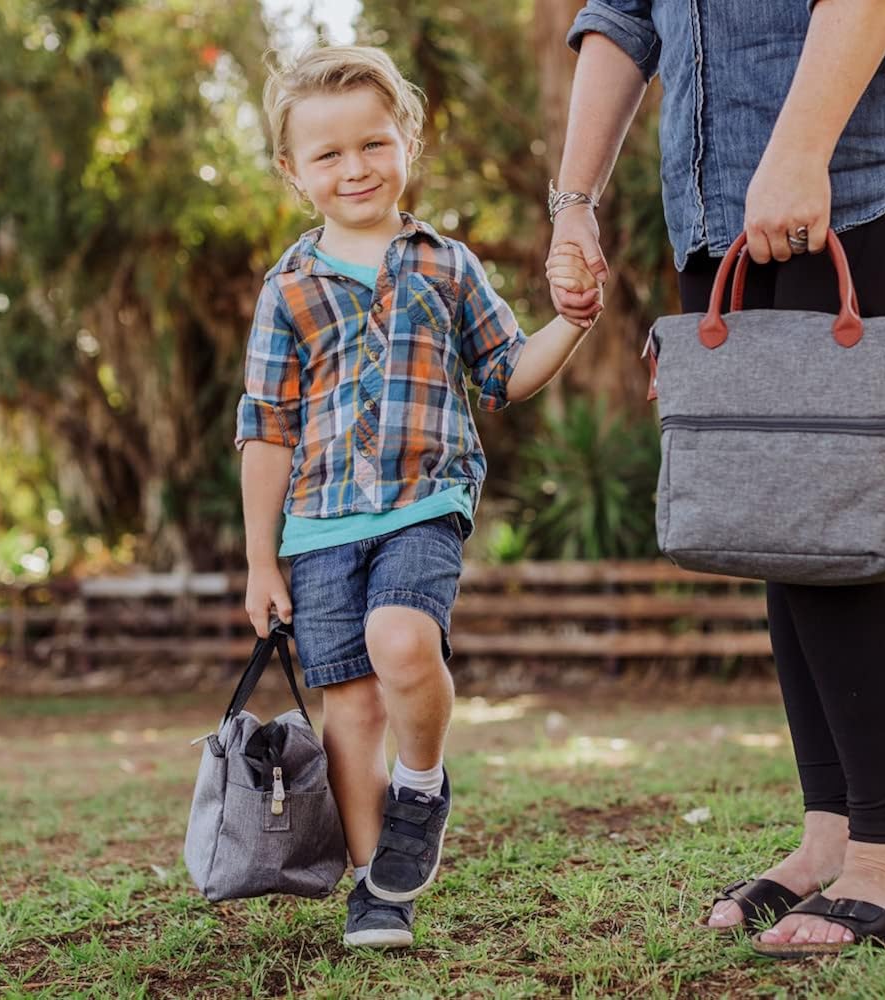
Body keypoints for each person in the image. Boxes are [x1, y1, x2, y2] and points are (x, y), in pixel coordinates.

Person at [548, 1, 885, 955]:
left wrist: (801, 149)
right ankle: (831, 838)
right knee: (774, 512)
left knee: (818, 505)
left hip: (875, 162)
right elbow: (623, 16)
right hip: (718, 198)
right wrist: (574, 200)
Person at [237, 44, 598, 950]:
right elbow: (267, 429)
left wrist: (573, 323)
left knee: (401, 641)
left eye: (372, 143)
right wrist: (258, 560)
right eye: (327, 154)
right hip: (319, 525)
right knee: (349, 708)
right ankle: (377, 892)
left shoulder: (446, 266)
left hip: (422, 503)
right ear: (293, 172)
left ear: (407, 143)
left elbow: (506, 373)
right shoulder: (286, 289)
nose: (353, 167)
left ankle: (424, 783)